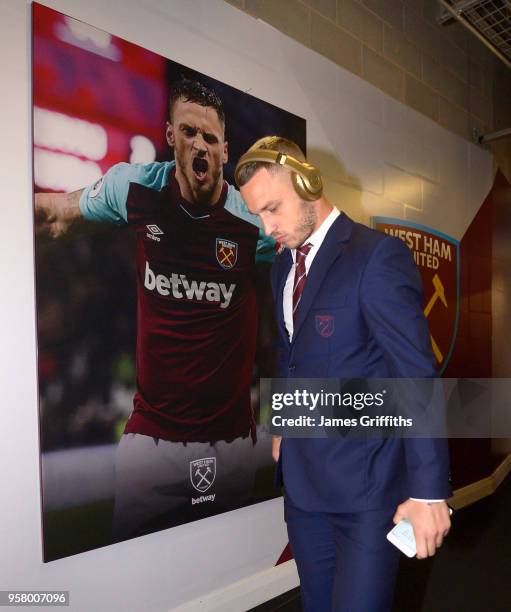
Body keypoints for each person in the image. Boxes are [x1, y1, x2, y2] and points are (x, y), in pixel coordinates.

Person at [35, 79, 275, 541]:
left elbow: (306, 261)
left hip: (230, 445)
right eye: (188, 132)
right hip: (151, 441)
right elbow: (57, 216)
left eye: (210, 138)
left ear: (226, 151)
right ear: (169, 136)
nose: (199, 146)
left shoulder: (255, 224)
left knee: (224, 578)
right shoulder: (136, 188)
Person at [235, 136, 452, 612]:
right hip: (304, 491)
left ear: (307, 183)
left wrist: (429, 492)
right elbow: (289, 355)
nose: (267, 227)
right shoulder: (282, 269)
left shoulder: (375, 259)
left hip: (366, 497)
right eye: (259, 216)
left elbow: (414, 376)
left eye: (273, 209)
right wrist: (280, 420)